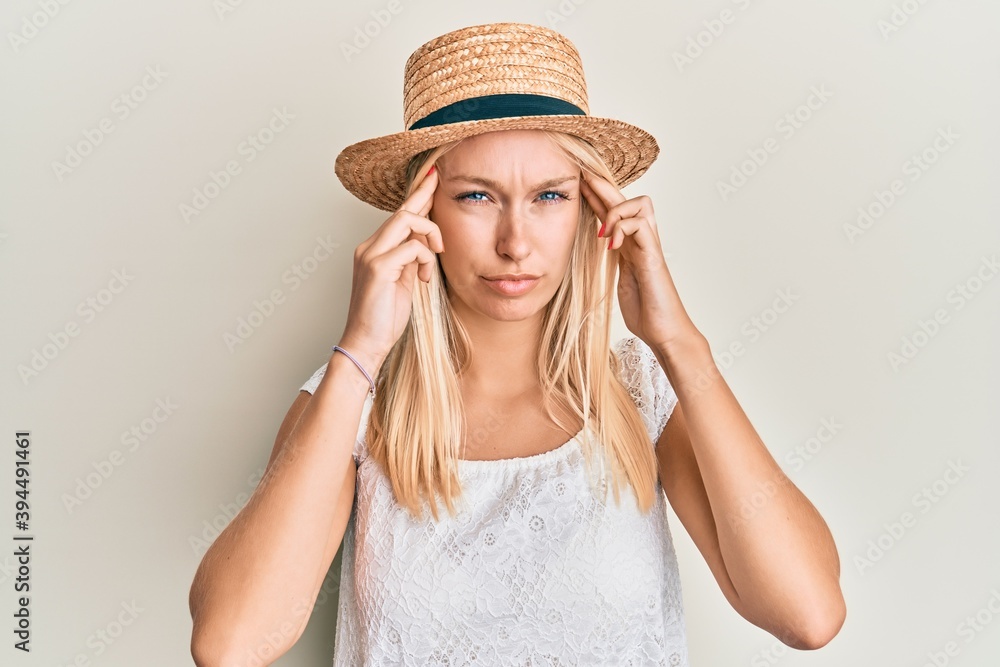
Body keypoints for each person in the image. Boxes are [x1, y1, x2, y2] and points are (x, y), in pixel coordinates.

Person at [189, 22, 846, 666]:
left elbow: (808, 614)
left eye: (549, 195)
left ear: (590, 210)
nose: (515, 242)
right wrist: (360, 348)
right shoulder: (355, 405)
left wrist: (679, 342)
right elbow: (229, 645)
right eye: (477, 195)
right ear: (422, 213)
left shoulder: (641, 393)